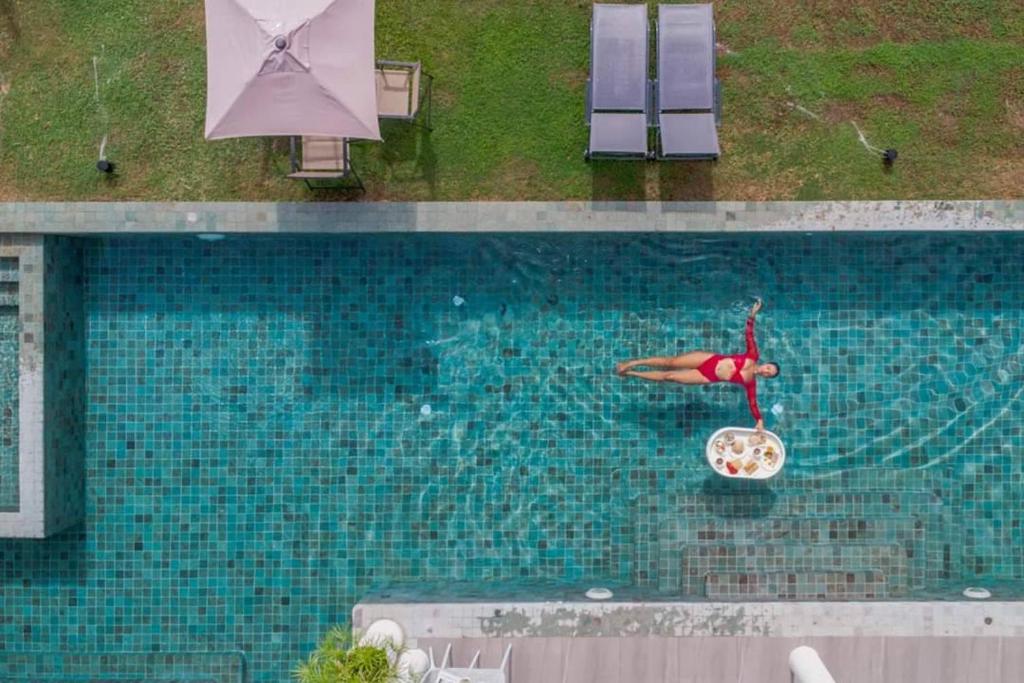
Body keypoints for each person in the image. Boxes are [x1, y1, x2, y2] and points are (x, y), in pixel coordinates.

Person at [615, 299, 779, 430]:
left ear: (767, 377)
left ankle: (630, 373)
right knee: (670, 362)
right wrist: (752, 316)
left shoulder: (750, 382)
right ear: (766, 364)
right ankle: (632, 363)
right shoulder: (753, 355)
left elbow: (752, 403)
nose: (766, 371)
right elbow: (749, 336)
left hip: (706, 376)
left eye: (769, 374)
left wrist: (759, 420)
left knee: (669, 376)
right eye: (769, 368)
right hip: (708, 359)